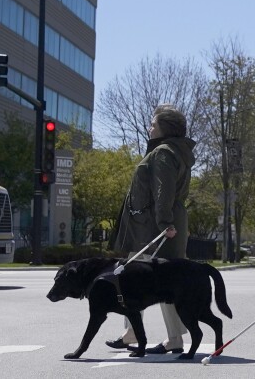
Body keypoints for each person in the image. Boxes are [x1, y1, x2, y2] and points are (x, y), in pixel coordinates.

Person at [106, 105, 196, 354]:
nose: (149, 128)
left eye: (153, 124)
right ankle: (166, 337)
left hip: (154, 229)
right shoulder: (174, 151)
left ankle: (136, 332)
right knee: (166, 281)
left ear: (164, 128)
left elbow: (163, 191)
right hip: (160, 225)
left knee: (134, 279)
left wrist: (164, 224)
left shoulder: (164, 153)